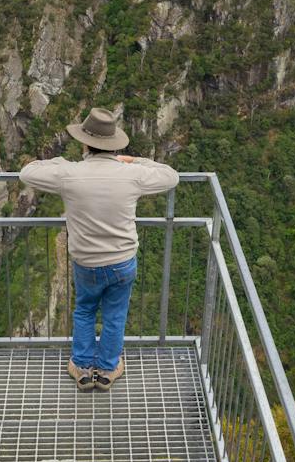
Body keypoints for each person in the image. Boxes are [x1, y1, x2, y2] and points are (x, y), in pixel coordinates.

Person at [18, 107, 179, 392]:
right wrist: (133, 160)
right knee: (115, 315)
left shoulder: (69, 173)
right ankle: (106, 371)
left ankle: (81, 369)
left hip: (87, 263)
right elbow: (170, 176)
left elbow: (27, 172)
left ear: (85, 142)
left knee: (85, 310)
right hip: (122, 261)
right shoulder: (133, 175)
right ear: (114, 143)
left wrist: (60, 162)